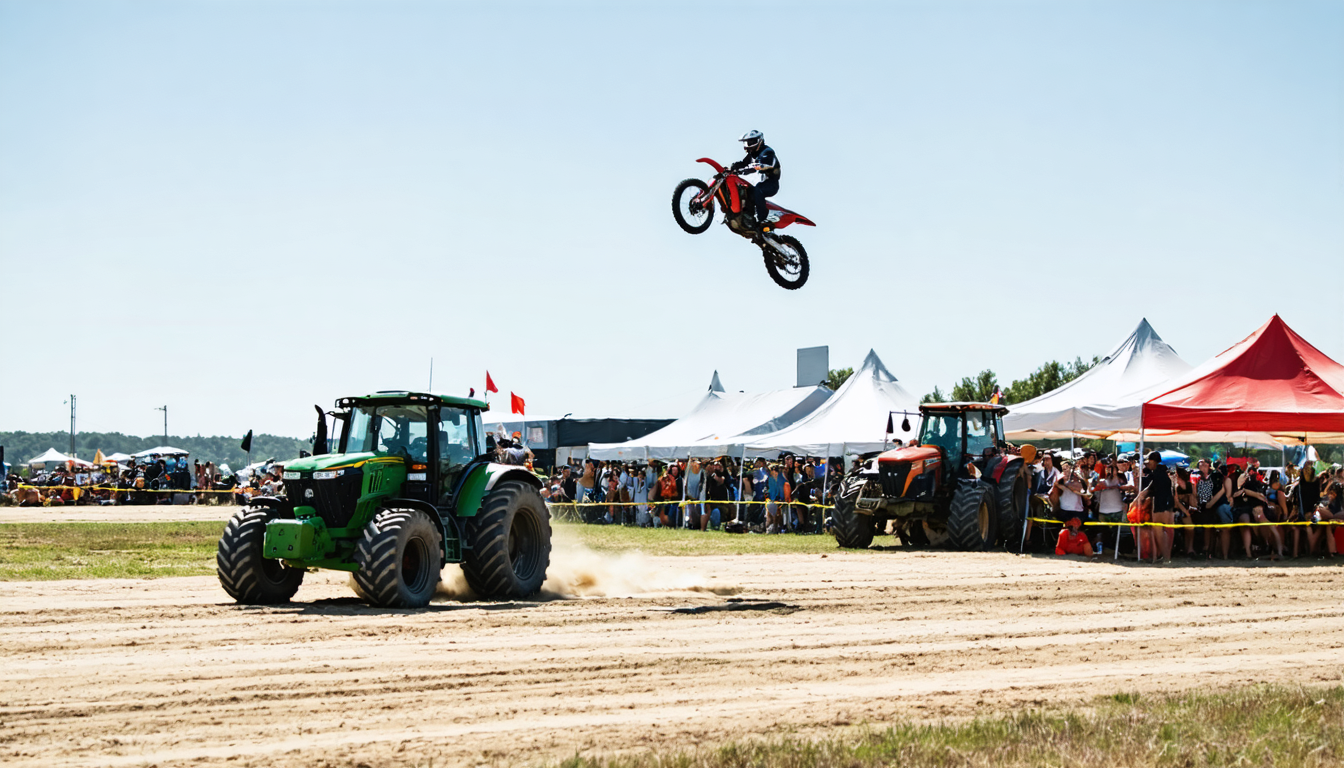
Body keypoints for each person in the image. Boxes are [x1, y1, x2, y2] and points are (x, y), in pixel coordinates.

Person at [729, 129, 781, 233]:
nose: (748, 145)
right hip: (763, 183)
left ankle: (762, 219)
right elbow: (744, 163)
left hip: (772, 184)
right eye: (746, 142)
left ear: (759, 141)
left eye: (750, 142)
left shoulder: (767, 152)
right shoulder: (753, 154)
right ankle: (749, 218)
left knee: (758, 190)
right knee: (748, 191)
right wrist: (733, 168)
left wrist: (748, 170)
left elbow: (765, 165)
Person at [1136, 451, 1174, 564]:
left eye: (1148, 462)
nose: (1147, 464)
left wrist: (1141, 497)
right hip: (1168, 504)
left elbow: (1150, 488)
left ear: (1153, 461)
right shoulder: (1164, 473)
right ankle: (1166, 557)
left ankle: (1165, 557)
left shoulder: (1157, 474)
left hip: (1161, 505)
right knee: (1165, 531)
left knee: (1159, 531)